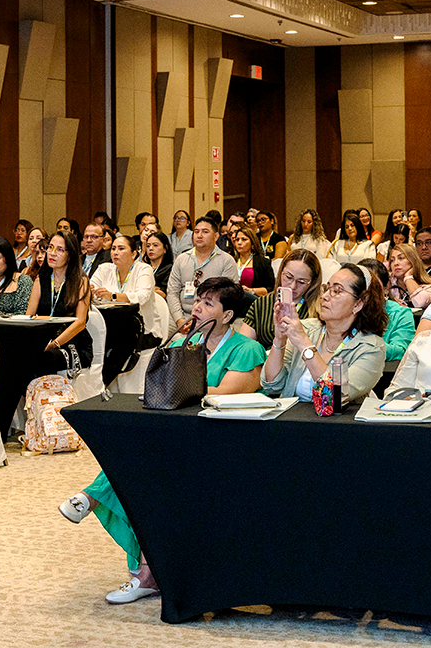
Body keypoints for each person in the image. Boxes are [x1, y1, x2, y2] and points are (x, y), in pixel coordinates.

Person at [59, 277, 265, 604]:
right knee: (136, 457)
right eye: (198, 300)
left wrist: (177, 388)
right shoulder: (184, 341)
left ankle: (93, 499)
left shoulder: (246, 348)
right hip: (180, 433)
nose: (197, 308)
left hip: (223, 439)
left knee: (148, 466)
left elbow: (227, 393)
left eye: (208, 303)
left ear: (227, 315)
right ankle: (146, 570)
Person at [261, 263, 387, 405]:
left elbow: (336, 395)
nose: (325, 296)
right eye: (326, 289)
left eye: (336, 291)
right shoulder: (307, 329)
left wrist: (304, 344)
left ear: (358, 304)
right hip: (292, 417)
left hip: (339, 419)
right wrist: (279, 339)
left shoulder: (371, 347)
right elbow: (272, 384)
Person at [26, 231, 93, 377]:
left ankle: (50, 392)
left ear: (70, 254)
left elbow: (80, 322)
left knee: (46, 358)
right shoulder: (40, 280)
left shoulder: (80, 282)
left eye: (60, 249)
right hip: (45, 339)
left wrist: (54, 344)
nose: (52, 253)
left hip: (73, 343)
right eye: (50, 247)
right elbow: (29, 317)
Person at [239, 249, 322, 348]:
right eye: (289, 277)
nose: (292, 286)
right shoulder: (262, 304)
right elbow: (243, 346)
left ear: (313, 282)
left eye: (301, 282)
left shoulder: (318, 310)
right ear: (281, 272)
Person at [166, 215, 240, 320]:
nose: (199, 236)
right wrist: (179, 319)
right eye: (196, 232)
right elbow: (172, 292)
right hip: (180, 316)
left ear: (216, 236)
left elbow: (229, 296)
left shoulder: (226, 261)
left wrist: (202, 320)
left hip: (211, 318)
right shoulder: (182, 259)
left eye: (205, 232)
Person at [358, 259, 417, 360]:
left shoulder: (400, 314)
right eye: (361, 284)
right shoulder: (345, 310)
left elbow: (400, 351)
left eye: (372, 285)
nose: (365, 290)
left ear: (386, 287)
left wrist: (362, 346)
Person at [91, 233, 156, 308]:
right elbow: (92, 290)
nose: (115, 253)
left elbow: (142, 296)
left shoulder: (144, 269)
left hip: (139, 314)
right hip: (107, 313)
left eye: (121, 249)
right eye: (113, 249)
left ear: (133, 254)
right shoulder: (104, 268)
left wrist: (113, 296)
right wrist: (91, 292)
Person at [385, 242, 431, 312]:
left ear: (413, 261)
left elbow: (421, 303)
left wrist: (408, 277)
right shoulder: (387, 284)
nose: (395, 263)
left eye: (401, 258)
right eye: (392, 260)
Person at [228, 227, 276, 298]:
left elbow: (271, 288)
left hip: (254, 300)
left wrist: (252, 291)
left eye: (244, 239)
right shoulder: (230, 261)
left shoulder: (263, 262)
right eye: (237, 239)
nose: (239, 243)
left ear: (252, 243)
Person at [142, 231, 174, 298]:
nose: (151, 248)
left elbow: (163, 293)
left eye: (155, 245)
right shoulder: (143, 267)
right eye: (148, 246)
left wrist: (145, 289)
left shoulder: (170, 268)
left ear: (165, 248)